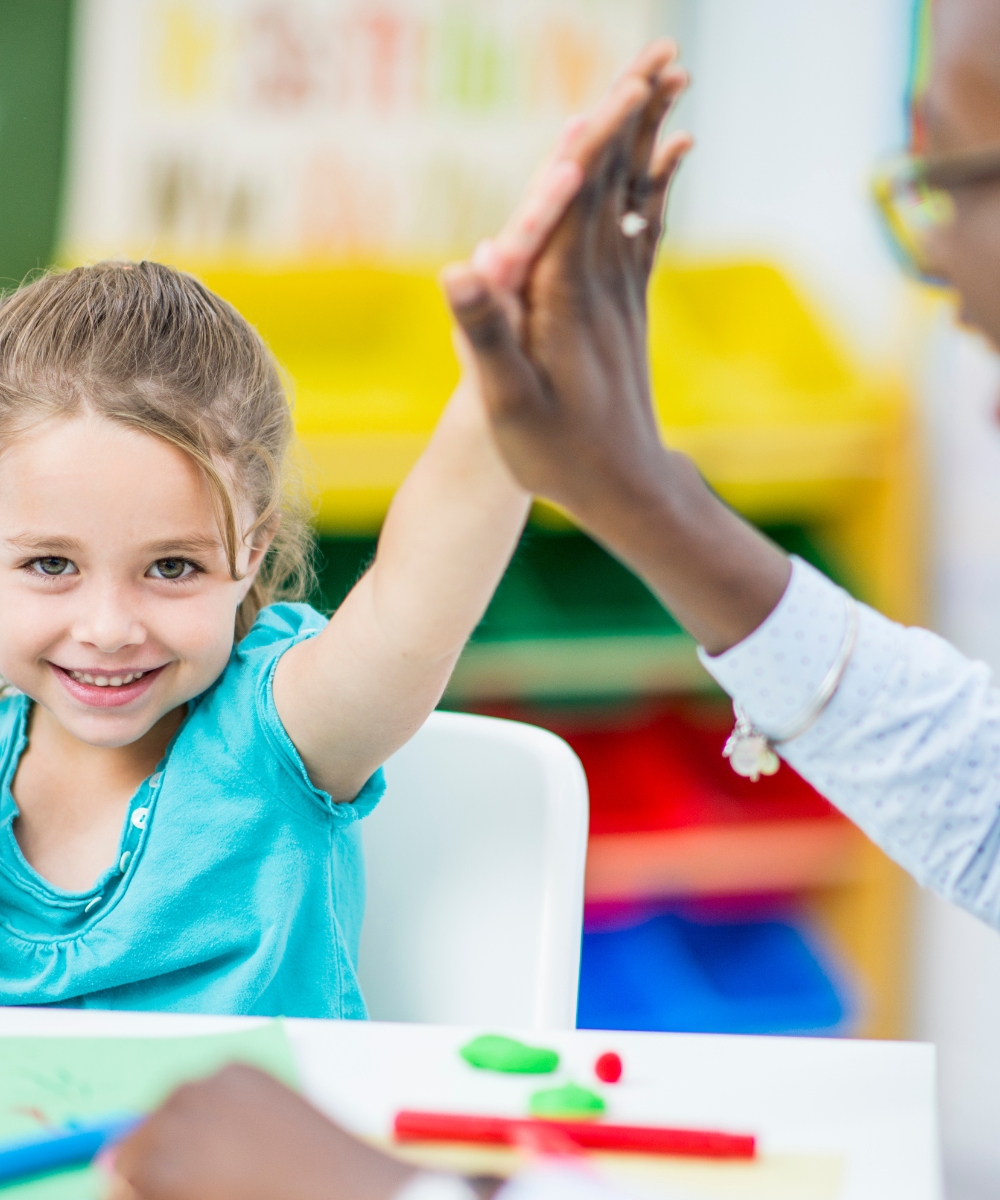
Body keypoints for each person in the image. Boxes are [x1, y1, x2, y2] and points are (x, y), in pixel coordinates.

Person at [0, 40, 687, 1016]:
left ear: (252, 552)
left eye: (173, 568)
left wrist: (511, 373)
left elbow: (417, 591)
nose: (108, 625)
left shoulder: (276, 733)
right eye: (51, 564)